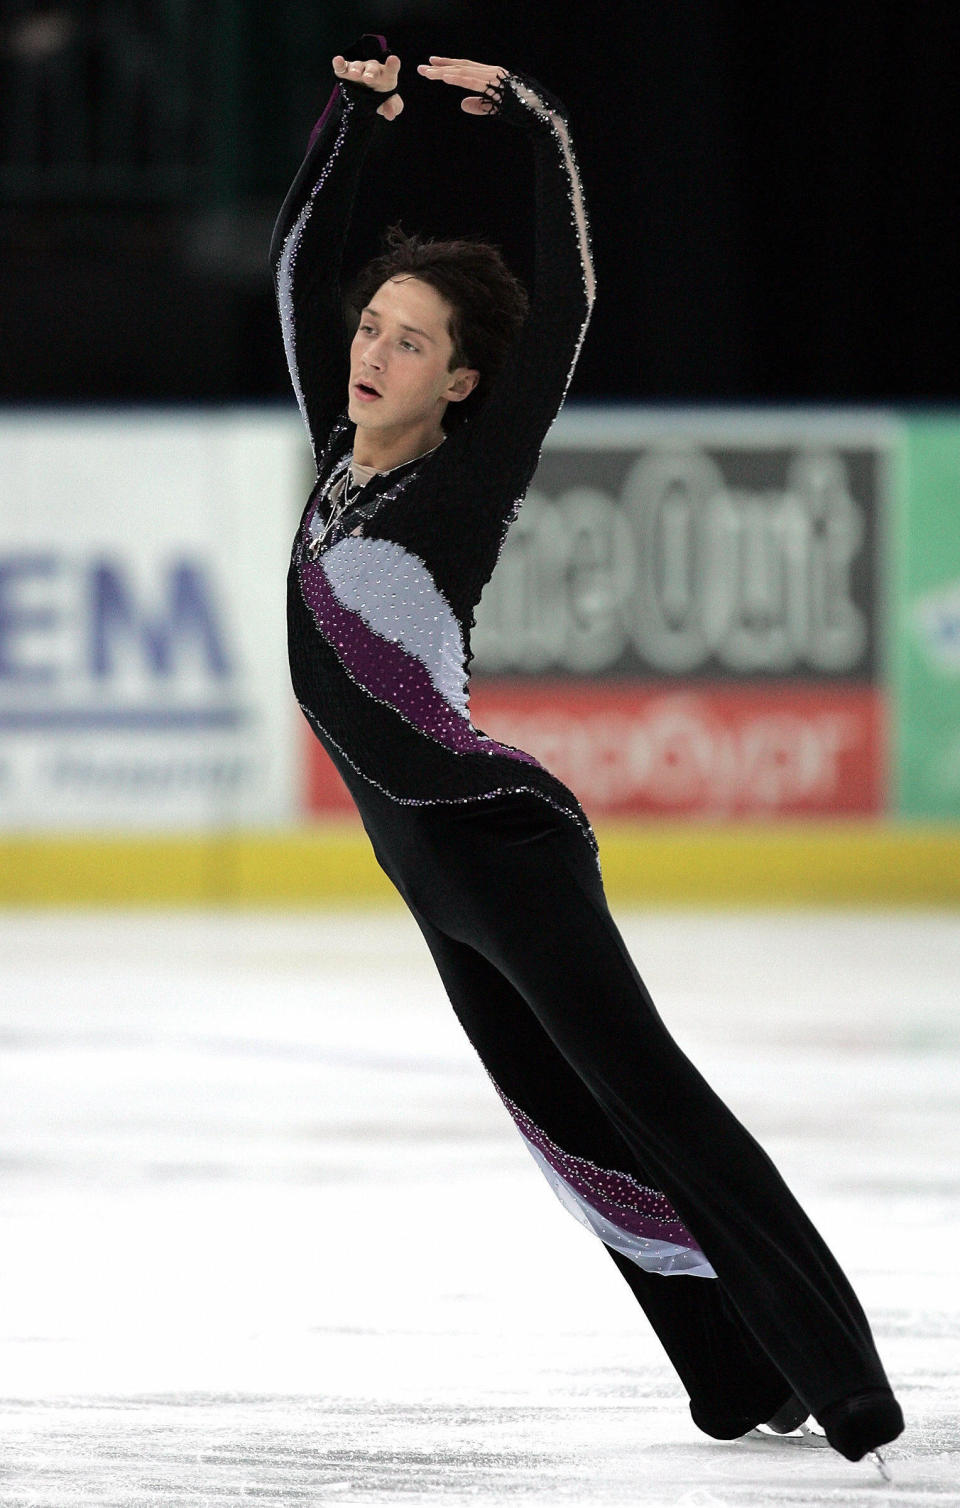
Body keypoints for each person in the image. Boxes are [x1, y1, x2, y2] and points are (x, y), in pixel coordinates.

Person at [269, 35, 904, 1467]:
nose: (374, 351)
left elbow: (565, 310)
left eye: (412, 341)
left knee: (653, 1102)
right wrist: (350, 121)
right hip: (430, 875)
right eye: (376, 329)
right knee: (572, 1138)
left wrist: (538, 127)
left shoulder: (458, 489)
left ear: (464, 384)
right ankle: (738, 1377)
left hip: (501, 840)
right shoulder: (336, 457)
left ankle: (845, 1377)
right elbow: (302, 271)